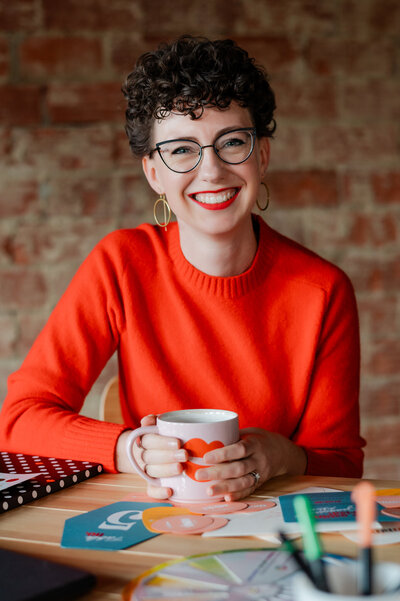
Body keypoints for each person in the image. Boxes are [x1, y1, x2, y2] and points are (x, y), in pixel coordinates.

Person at [0, 36, 364, 502]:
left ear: (263, 156)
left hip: (274, 532)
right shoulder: (122, 263)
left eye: (232, 142)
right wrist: (129, 449)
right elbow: (19, 417)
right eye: (181, 150)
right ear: (154, 172)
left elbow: (343, 465)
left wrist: (279, 456)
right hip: (154, 522)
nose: (211, 171)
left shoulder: (323, 290)